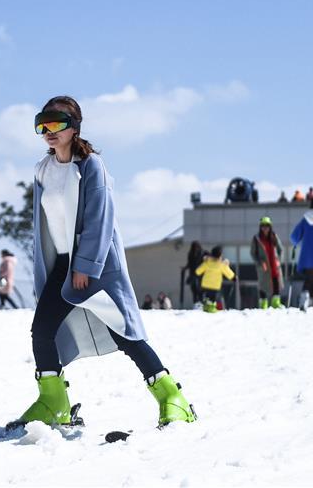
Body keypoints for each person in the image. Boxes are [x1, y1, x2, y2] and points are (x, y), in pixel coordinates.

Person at [15, 95, 195, 430]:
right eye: (42, 124)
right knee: (42, 330)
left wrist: (85, 266)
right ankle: (53, 402)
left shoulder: (90, 166)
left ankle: (173, 398)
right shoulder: (43, 170)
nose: (48, 131)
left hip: (93, 265)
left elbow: (100, 218)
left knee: (124, 331)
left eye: (56, 123)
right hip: (62, 265)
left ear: (74, 127)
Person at [250, 216, 284, 309]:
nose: (265, 228)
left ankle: (276, 303)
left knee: (276, 283)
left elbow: (281, 249)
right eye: (263, 226)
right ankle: (263, 304)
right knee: (263, 285)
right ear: (260, 227)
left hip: (274, 265)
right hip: (264, 266)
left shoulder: (274, 236)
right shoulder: (256, 239)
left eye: (267, 226)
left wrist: (278, 261)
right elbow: (253, 253)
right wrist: (259, 263)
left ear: (270, 227)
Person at [195, 246, 235, 313]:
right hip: (215, 286)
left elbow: (198, 271)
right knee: (213, 297)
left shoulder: (207, 263)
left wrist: (197, 274)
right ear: (220, 255)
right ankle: (211, 307)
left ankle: (206, 305)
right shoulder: (221, 265)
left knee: (208, 295)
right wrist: (234, 278)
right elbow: (228, 273)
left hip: (205, 284)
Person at [184, 241, 206, 310]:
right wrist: (185, 268)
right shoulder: (190, 254)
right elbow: (189, 264)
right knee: (194, 290)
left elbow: (210, 257)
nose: (195, 249)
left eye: (196, 247)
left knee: (200, 291)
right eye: (194, 247)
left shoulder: (203, 253)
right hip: (193, 274)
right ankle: (196, 304)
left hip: (200, 275)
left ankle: (201, 304)